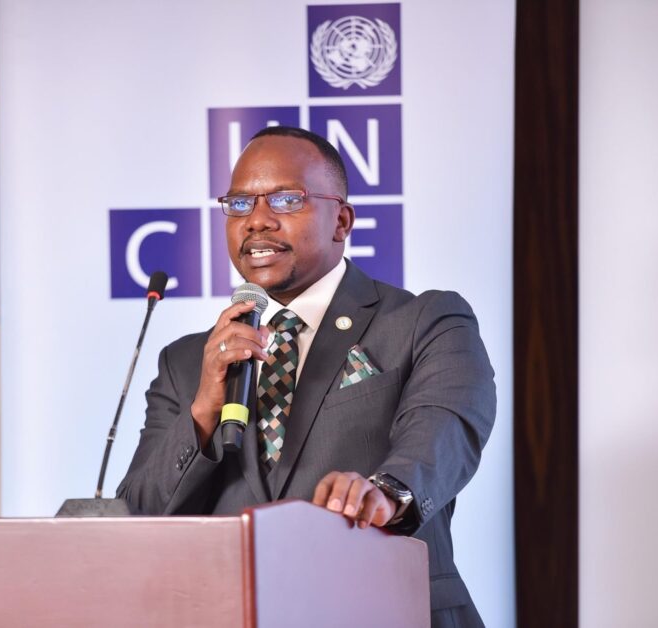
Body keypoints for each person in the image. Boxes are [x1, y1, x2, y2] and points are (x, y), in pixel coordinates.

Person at [117, 126, 496, 626]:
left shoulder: (425, 322)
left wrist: (386, 492)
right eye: (239, 204)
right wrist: (204, 411)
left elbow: (445, 429)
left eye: (286, 199)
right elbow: (137, 516)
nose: (257, 221)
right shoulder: (186, 363)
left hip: (385, 610)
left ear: (341, 220)